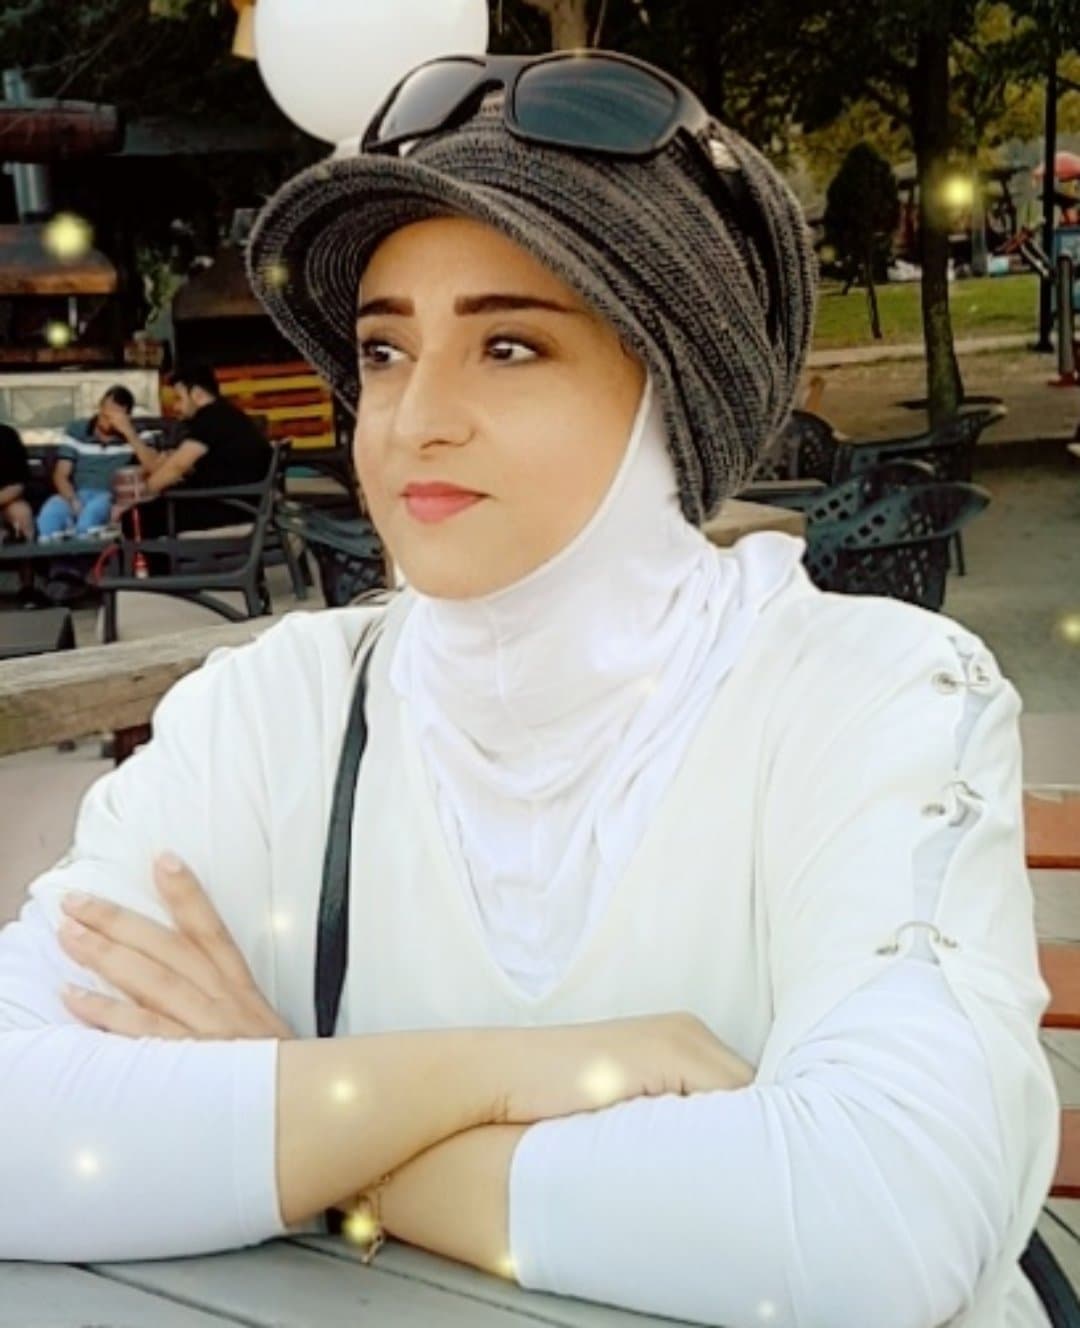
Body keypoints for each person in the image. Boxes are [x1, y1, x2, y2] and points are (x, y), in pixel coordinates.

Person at [0, 51, 1056, 1327]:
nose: (413, 418)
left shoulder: (875, 698)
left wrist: (298, 1112)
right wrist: (506, 1074)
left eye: (509, 345)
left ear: (676, 389)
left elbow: (880, 1223)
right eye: (385, 349)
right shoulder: (272, 713)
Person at [118, 362, 271, 541]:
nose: (175, 407)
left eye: (179, 398)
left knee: (136, 518)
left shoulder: (211, 419)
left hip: (229, 508)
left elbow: (177, 466)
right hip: (242, 503)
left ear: (197, 394)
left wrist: (143, 494)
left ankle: (160, 560)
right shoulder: (228, 415)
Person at [0, 421, 34, 542]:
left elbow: (18, 484)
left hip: (6, 499)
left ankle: (28, 551)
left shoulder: (6, 435)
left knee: (22, 512)